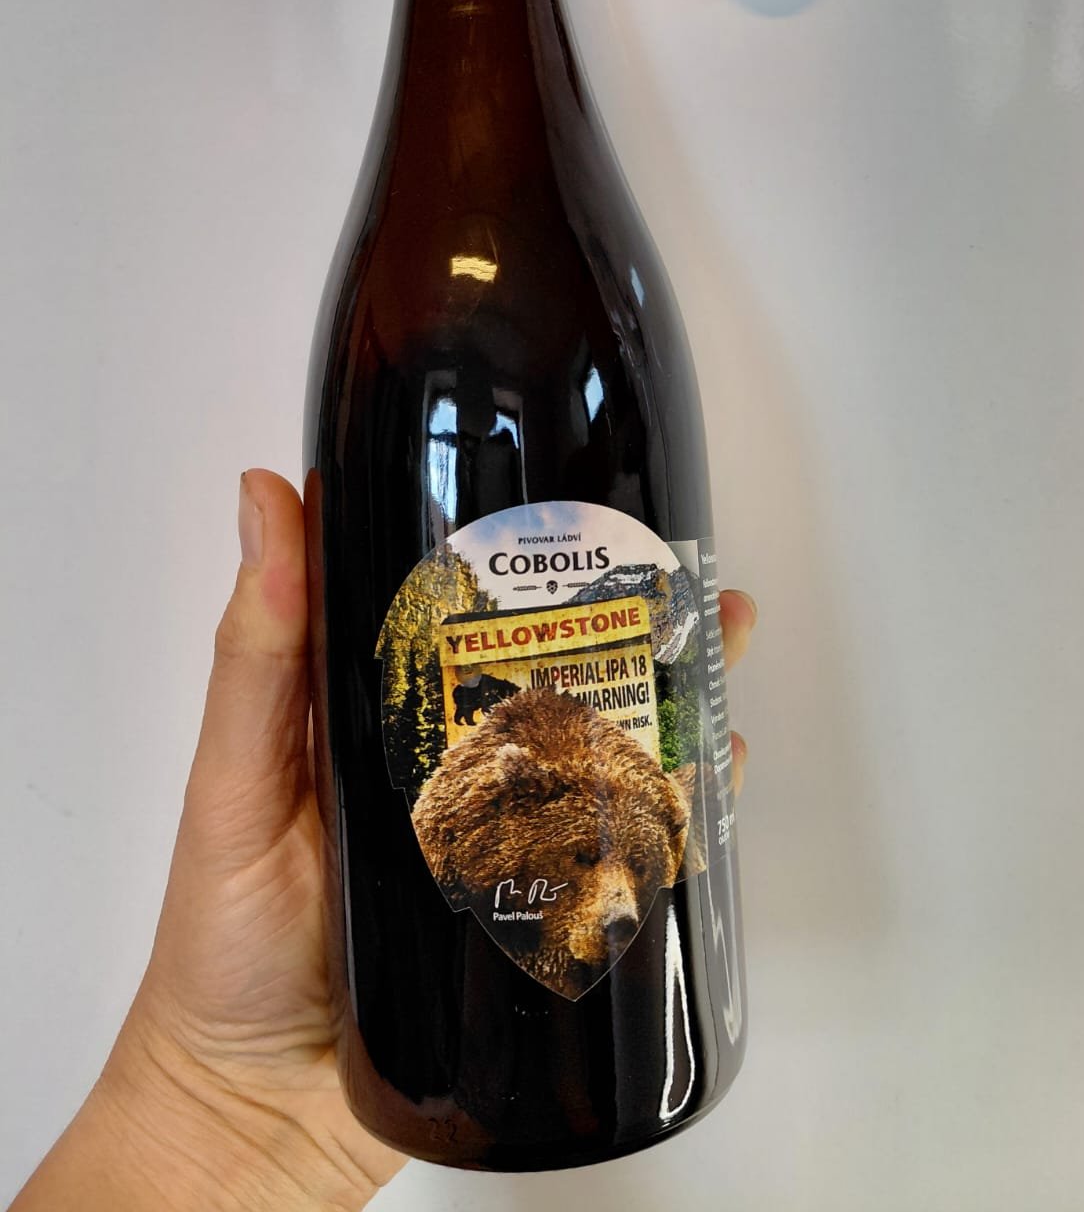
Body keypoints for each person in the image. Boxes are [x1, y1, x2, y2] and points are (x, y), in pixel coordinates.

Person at [11, 470, 757, 1210]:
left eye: (629, 865)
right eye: (587, 856)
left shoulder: (626, 797)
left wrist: (217, 1107)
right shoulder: (484, 801)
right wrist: (212, 1099)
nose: (620, 897)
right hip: (403, 1038)